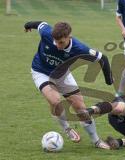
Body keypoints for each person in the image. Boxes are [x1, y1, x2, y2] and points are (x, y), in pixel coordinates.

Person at [24, 21, 114, 149]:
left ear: (69, 37)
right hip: (41, 72)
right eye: (55, 41)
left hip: (62, 74)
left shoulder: (79, 48)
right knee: (55, 101)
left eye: (61, 42)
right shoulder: (46, 33)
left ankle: (96, 141)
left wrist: (108, 80)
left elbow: (102, 58)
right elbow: (39, 24)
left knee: (81, 109)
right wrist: (27, 25)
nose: (57, 45)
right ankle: (66, 129)